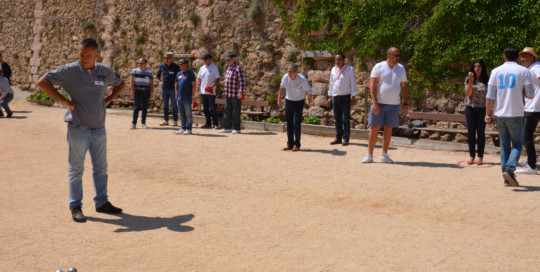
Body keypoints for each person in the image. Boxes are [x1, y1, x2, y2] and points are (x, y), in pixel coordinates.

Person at [36, 38, 126, 222]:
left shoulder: (104, 71)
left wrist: (109, 99)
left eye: (88, 55)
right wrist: (65, 102)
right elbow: (42, 82)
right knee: (76, 170)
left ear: (97, 55)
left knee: (101, 168)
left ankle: (102, 202)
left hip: (99, 128)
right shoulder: (70, 71)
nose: (84, 58)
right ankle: (75, 206)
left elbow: (121, 82)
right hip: (78, 128)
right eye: (81, 54)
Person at [485, 46, 534, 187]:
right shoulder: (524, 71)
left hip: (499, 113)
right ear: (518, 57)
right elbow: (530, 94)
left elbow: (490, 96)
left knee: (504, 146)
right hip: (516, 113)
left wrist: (488, 113)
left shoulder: (495, 71)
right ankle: (509, 169)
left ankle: (506, 179)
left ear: (504, 57)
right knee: (517, 145)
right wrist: (520, 92)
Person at [362, 47, 409, 164]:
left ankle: (384, 154)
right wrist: (375, 103)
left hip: (393, 104)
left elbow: (404, 86)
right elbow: (372, 85)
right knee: (374, 128)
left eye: (399, 55)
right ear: (389, 56)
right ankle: (369, 155)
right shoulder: (379, 67)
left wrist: (405, 102)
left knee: (388, 128)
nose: (398, 57)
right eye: (396, 55)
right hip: (379, 103)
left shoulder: (401, 68)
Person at [277, 63, 314, 151]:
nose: (289, 74)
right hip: (288, 101)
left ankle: (297, 145)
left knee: (296, 123)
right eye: (288, 71)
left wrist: (310, 101)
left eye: (291, 72)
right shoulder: (285, 77)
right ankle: (289, 144)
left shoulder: (302, 80)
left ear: (296, 72)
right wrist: (279, 99)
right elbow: (281, 88)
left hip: (298, 102)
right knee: (289, 124)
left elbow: (309, 91)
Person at [516, 47, 540, 175]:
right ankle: (533, 158)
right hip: (533, 106)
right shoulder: (531, 68)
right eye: (522, 56)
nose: (522, 59)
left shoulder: (536, 67)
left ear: (532, 57)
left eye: (526, 56)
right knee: (527, 136)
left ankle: (531, 166)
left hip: (534, 107)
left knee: (526, 136)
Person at [327, 53, 357, 146]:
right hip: (336, 97)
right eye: (336, 59)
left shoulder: (349, 69)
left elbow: (353, 83)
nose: (337, 61)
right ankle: (338, 138)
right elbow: (331, 84)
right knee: (337, 119)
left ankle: (346, 138)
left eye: (339, 59)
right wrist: (330, 97)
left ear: (344, 60)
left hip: (345, 97)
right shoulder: (333, 70)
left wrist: (353, 97)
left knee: (346, 119)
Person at [464, 60, 489, 165]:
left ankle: (480, 157)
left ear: (482, 68)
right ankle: (471, 156)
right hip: (471, 108)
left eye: (479, 66)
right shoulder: (468, 79)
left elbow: (490, 97)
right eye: (475, 66)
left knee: (481, 133)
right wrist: (470, 81)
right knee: (471, 133)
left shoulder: (487, 80)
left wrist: (489, 112)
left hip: (482, 109)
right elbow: (468, 94)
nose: (477, 68)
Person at [219, 53, 245, 134]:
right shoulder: (229, 68)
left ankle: (236, 128)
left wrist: (241, 92)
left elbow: (242, 81)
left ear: (234, 59)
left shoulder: (238, 68)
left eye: (229, 59)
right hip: (228, 93)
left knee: (236, 111)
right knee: (227, 111)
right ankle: (227, 127)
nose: (227, 61)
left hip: (235, 94)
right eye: (227, 60)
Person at [197, 54, 221, 129]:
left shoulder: (214, 68)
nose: (204, 60)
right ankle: (208, 123)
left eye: (206, 59)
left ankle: (216, 123)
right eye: (204, 59)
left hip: (211, 92)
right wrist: (198, 86)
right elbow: (199, 78)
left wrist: (212, 85)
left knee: (212, 108)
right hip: (203, 92)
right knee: (205, 108)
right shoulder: (202, 68)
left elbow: (218, 78)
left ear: (210, 59)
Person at [156, 52, 180, 126]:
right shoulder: (162, 66)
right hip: (164, 88)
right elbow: (157, 76)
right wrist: (160, 82)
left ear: (172, 59)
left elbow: (179, 76)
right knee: (165, 105)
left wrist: (176, 84)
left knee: (174, 105)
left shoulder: (176, 67)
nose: (166, 59)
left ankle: (175, 120)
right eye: (165, 58)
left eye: (167, 58)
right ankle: (166, 120)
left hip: (173, 88)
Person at [174, 59, 197, 135]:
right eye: (179, 64)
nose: (179, 66)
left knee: (188, 114)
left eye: (181, 64)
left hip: (187, 97)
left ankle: (189, 129)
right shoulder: (179, 73)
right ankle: (183, 128)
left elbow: (194, 85)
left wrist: (193, 95)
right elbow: (176, 84)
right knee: (181, 114)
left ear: (186, 64)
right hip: (179, 98)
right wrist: (176, 94)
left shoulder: (190, 73)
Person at [130, 57, 154, 129]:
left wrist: (152, 93)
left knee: (145, 108)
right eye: (139, 63)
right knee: (136, 107)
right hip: (138, 91)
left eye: (141, 63)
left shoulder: (149, 72)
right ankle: (133, 124)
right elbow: (131, 81)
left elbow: (151, 83)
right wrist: (132, 90)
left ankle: (143, 123)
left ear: (145, 64)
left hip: (146, 91)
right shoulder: (134, 71)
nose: (140, 65)